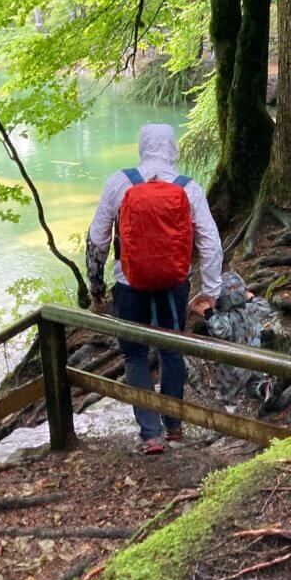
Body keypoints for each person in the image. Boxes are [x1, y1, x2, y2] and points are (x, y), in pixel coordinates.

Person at [86, 123, 223, 455]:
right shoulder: (189, 188)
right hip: (173, 285)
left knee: (134, 355)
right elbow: (211, 243)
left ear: (142, 146)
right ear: (173, 148)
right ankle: (174, 426)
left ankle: (150, 435)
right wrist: (211, 290)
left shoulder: (119, 182)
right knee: (171, 350)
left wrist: (96, 287)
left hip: (128, 284)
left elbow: (96, 239)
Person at [203, 271, 273, 413]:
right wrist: (251, 298)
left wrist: (208, 313)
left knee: (227, 391)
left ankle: (231, 411)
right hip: (255, 357)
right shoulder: (252, 308)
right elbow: (265, 307)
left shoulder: (226, 317)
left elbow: (219, 330)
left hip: (234, 364)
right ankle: (263, 388)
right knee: (254, 383)